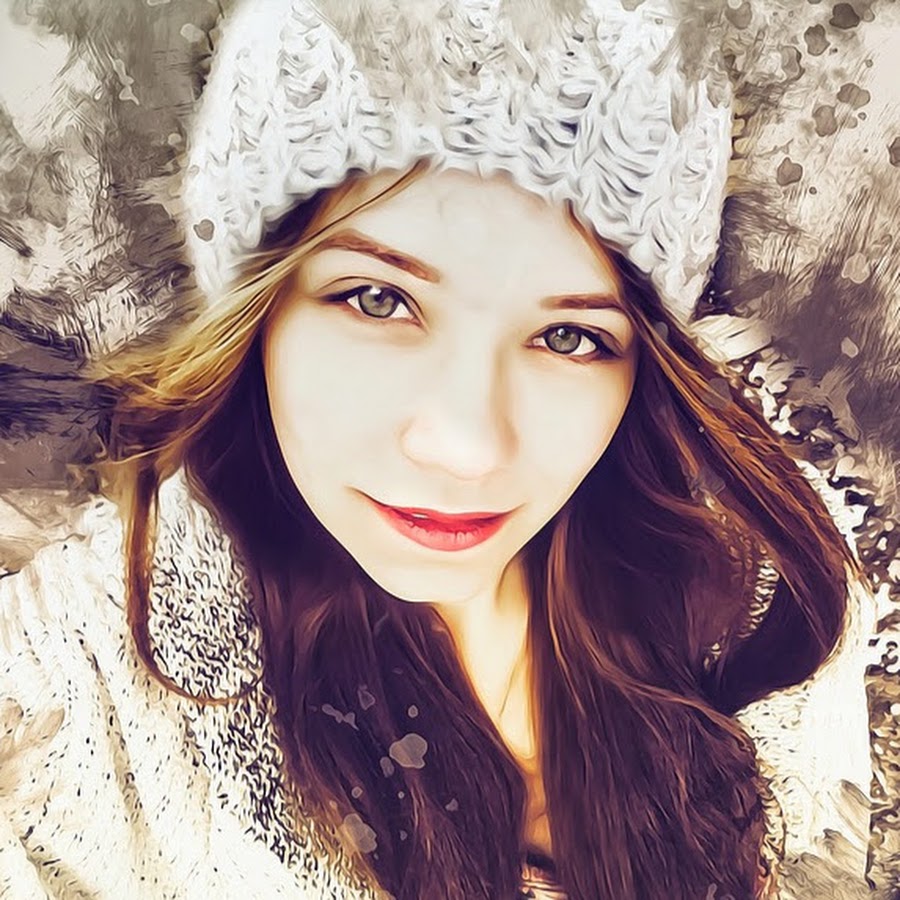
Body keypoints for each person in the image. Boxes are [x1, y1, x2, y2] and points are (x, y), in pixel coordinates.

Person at [0, 1, 876, 898]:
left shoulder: (763, 604)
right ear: (258, 309)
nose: (466, 447)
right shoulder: (65, 691)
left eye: (570, 337)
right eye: (379, 299)